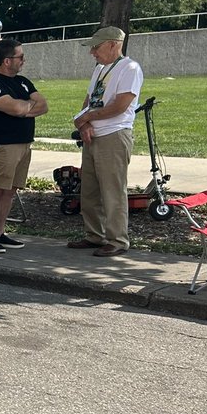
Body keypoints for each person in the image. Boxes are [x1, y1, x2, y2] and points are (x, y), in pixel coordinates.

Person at [67, 26, 143, 257]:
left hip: (113, 135)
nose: (93, 52)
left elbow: (120, 105)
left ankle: (117, 240)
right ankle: (94, 235)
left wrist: (86, 118)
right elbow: (89, 100)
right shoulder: (100, 69)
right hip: (94, 135)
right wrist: (84, 124)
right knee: (89, 190)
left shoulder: (129, 68)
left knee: (112, 190)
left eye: (96, 47)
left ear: (113, 44)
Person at [0, 37, 48, 253]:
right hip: (3, 145)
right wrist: (25, 107)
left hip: (24, 143)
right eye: (20, 57)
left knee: (10, 190)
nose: (23, 61)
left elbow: (43, 105)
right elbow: (14, 108)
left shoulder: (23, 82)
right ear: (7, 60)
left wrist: (24, 108)